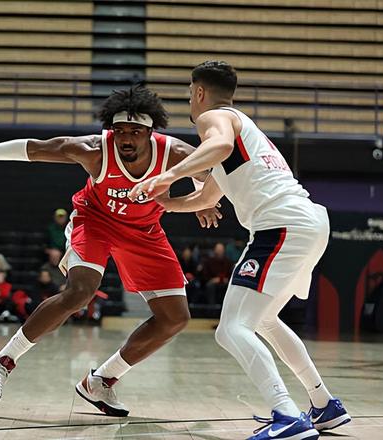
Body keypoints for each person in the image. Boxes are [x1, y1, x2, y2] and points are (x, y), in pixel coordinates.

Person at [0, 84, 221, 416]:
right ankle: (1, 362)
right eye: (120, 131)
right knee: (79, 292)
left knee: (175, 318)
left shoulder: (174, 153)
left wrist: (202, 198)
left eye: (135, 132)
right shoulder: (94, 150)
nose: (126, 138)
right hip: (95, 221)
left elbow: (209, 170)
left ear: (150, 132)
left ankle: (100, 381)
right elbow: (34, 148)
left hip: (144, 230)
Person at [130, 61, 350, 439]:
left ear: (200, 93)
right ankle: (323, 405)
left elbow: (218, 145)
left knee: (231, 328)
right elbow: (206, 197)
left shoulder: (214, 119)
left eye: (190, 94)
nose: (190, 101)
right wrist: (165, 202)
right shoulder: (243, 129)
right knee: (264, 320)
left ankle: (286, 415)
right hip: (307, 223)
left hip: (281, 227)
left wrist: (167, 175)